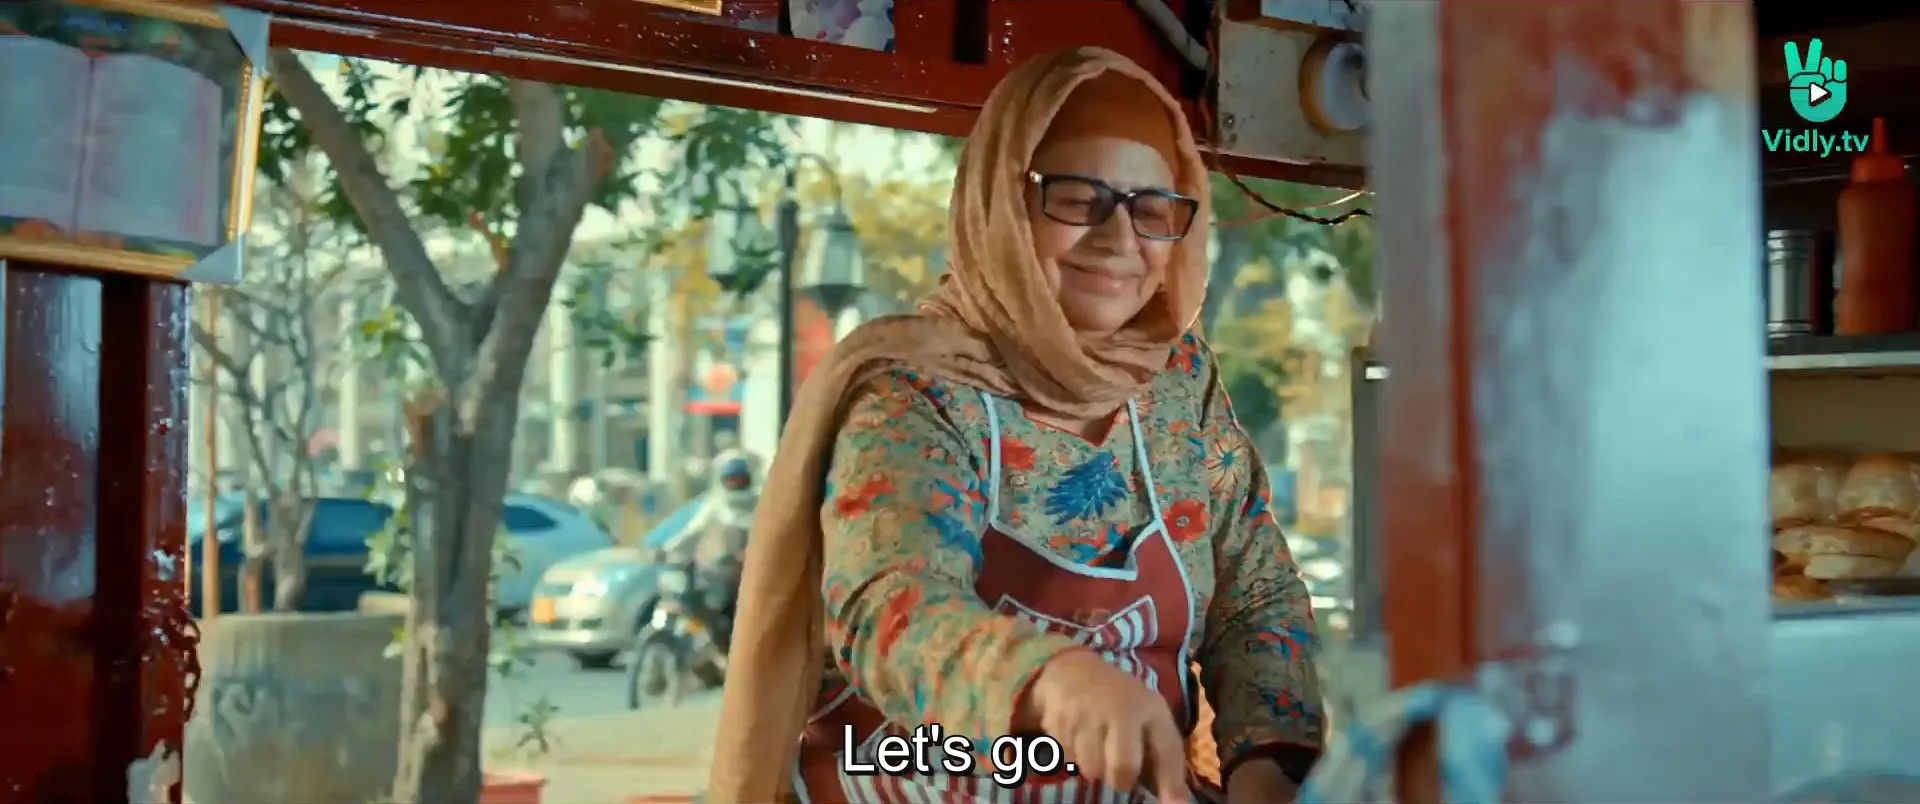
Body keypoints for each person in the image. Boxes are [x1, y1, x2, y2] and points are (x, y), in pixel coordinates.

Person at [709, 47, 1324, 804]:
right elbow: (892, 608)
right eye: (1078, 199)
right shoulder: (918, 387)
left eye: (1151, 209)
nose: (1119, 238)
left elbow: (1255, 598)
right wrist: (1054, 682)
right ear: (1000, 206)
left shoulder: (1178, 385)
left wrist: (1267, 768)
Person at [667, 449, 759, 630]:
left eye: (740, 479)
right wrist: (671, 549)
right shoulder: (715, 505)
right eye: (732, 478)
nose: (736, 483)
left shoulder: (760, 504)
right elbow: (692, 532)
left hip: (755, 573)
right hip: (722, 574)